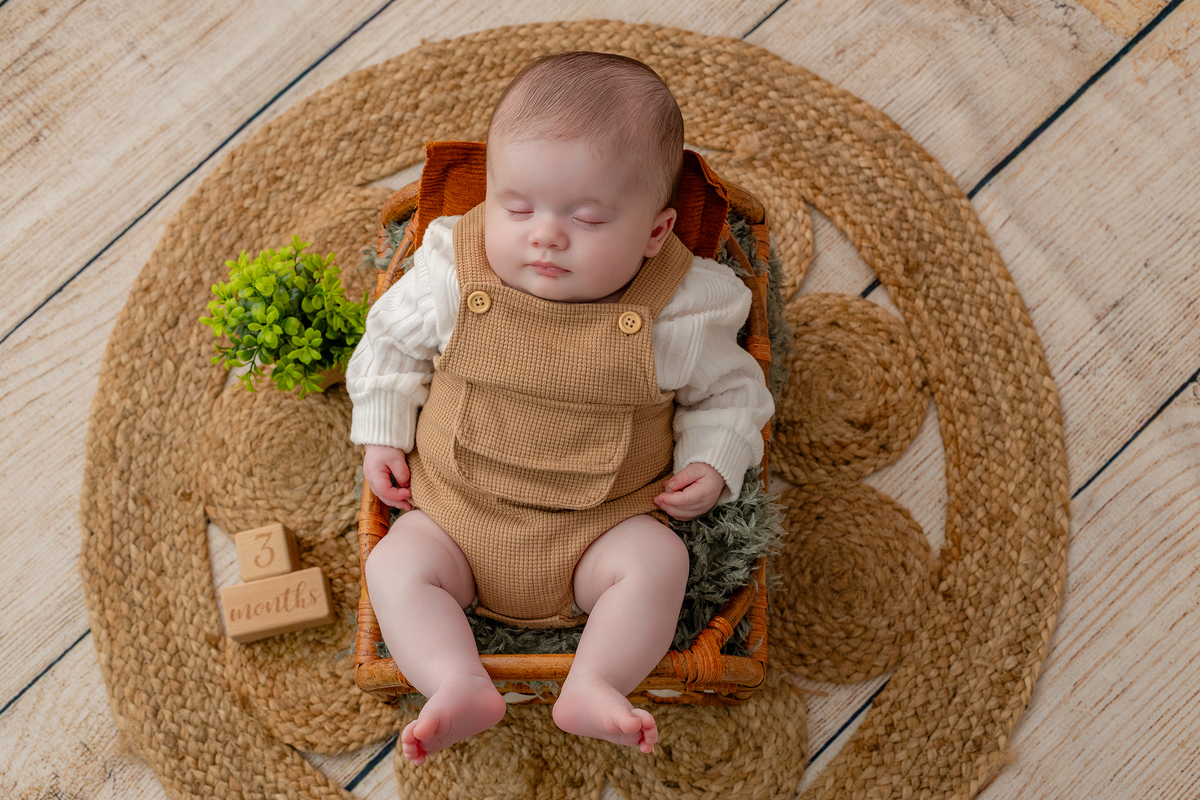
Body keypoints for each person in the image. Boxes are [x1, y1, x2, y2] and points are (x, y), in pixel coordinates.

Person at [346, 50, 774, 766]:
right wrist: (383, 430)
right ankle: (457, 680)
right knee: (393, 568)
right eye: (518, 207)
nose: (545, 233)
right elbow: (390, 343)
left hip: (599, 533)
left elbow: (732, 392)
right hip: (452, 517)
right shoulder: (452, 271)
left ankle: (596, 680)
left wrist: (714, 456)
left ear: (655, 233)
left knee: (659, 560)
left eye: (587, 217)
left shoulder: (681, 311)